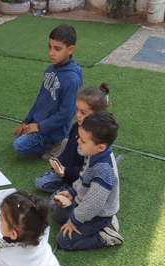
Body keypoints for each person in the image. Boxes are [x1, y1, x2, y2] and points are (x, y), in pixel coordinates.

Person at [51, 111, 123, 252]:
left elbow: (93, 205)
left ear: (100, 146)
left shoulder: (104, 170)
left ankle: (104, 237)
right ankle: (85, 221)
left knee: (63, 241)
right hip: (86, 202)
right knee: (58, 215)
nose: (78, 141)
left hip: (99, 214)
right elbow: (84, 176)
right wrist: (72, 192)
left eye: (83, 140)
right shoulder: (93, 152)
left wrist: (74, 221)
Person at [13, 24, 83, 161]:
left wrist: (38, 127)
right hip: (40, 123)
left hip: (54, 130)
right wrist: (26, 121)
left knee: (19, 146)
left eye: (57, 49)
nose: (51, 52)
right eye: (49, 47)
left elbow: (66, 114)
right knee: (17, 136)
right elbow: (40, 98)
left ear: (70, 49)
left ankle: (58, 145)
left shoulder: (72, 79)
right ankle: (47, 144)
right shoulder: (50, 69)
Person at [35, 83, 111, 193]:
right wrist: (59, 164)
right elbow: (69, 151)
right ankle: (66, 184)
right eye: (78, 110)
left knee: (55, 203)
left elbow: (86, 171)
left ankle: (72, 189)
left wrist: (67, 174)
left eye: (83, 112)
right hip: (68, 171)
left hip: (80, 178)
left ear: (97, 115)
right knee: (39, 181)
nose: (78, 115)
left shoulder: (94, 141)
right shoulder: (77, 126)